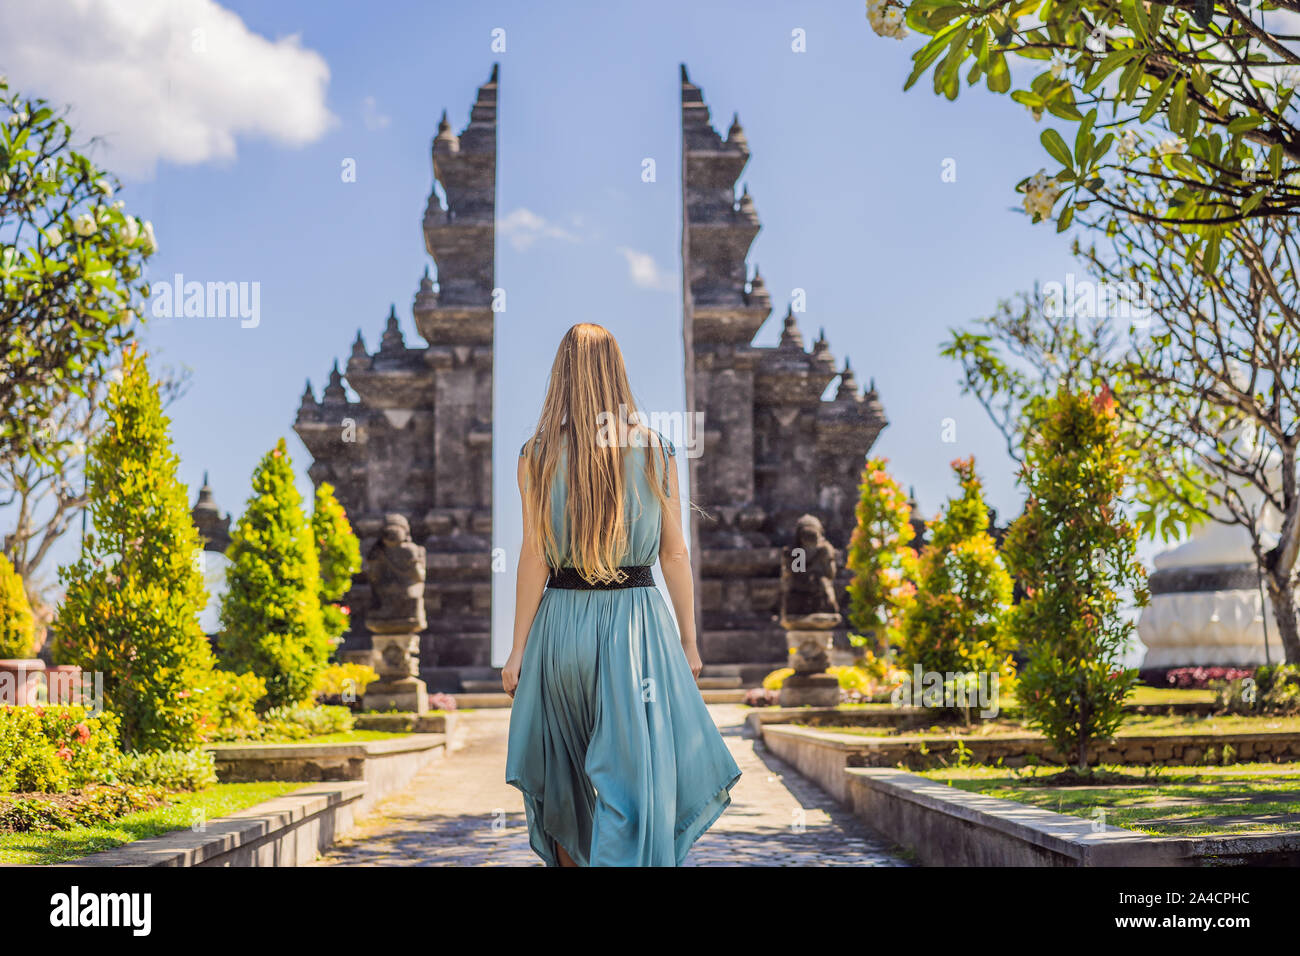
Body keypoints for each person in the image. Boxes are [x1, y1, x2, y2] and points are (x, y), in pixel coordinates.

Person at [503, 322, 742, 867]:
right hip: (637, 627)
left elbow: (534, 557)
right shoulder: (655, 450)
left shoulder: (535, 454)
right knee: (633, 788)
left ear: (561, 375)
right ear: (618, 371)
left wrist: (518, 649)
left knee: (561, 781)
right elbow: (674, 554)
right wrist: (689, 641)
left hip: (560, 628)